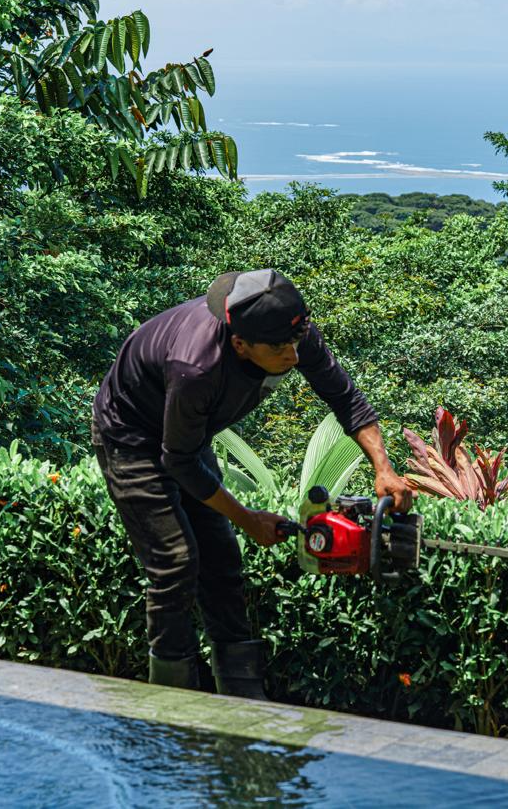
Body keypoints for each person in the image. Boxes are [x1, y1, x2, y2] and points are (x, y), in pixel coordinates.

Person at [90, 269, 412, 699]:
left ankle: (241, 695)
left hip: (187, 436)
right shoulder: (196, 366)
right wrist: (248, 520)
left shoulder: (290, 332)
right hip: (131, 438)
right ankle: (170, 704)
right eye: (279, 349)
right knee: (176, 561)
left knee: (221, 558)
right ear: (240, 343)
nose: (294, 357)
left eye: (296, 342)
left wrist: (383, 467)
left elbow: (345, 397)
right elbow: (179, 462)